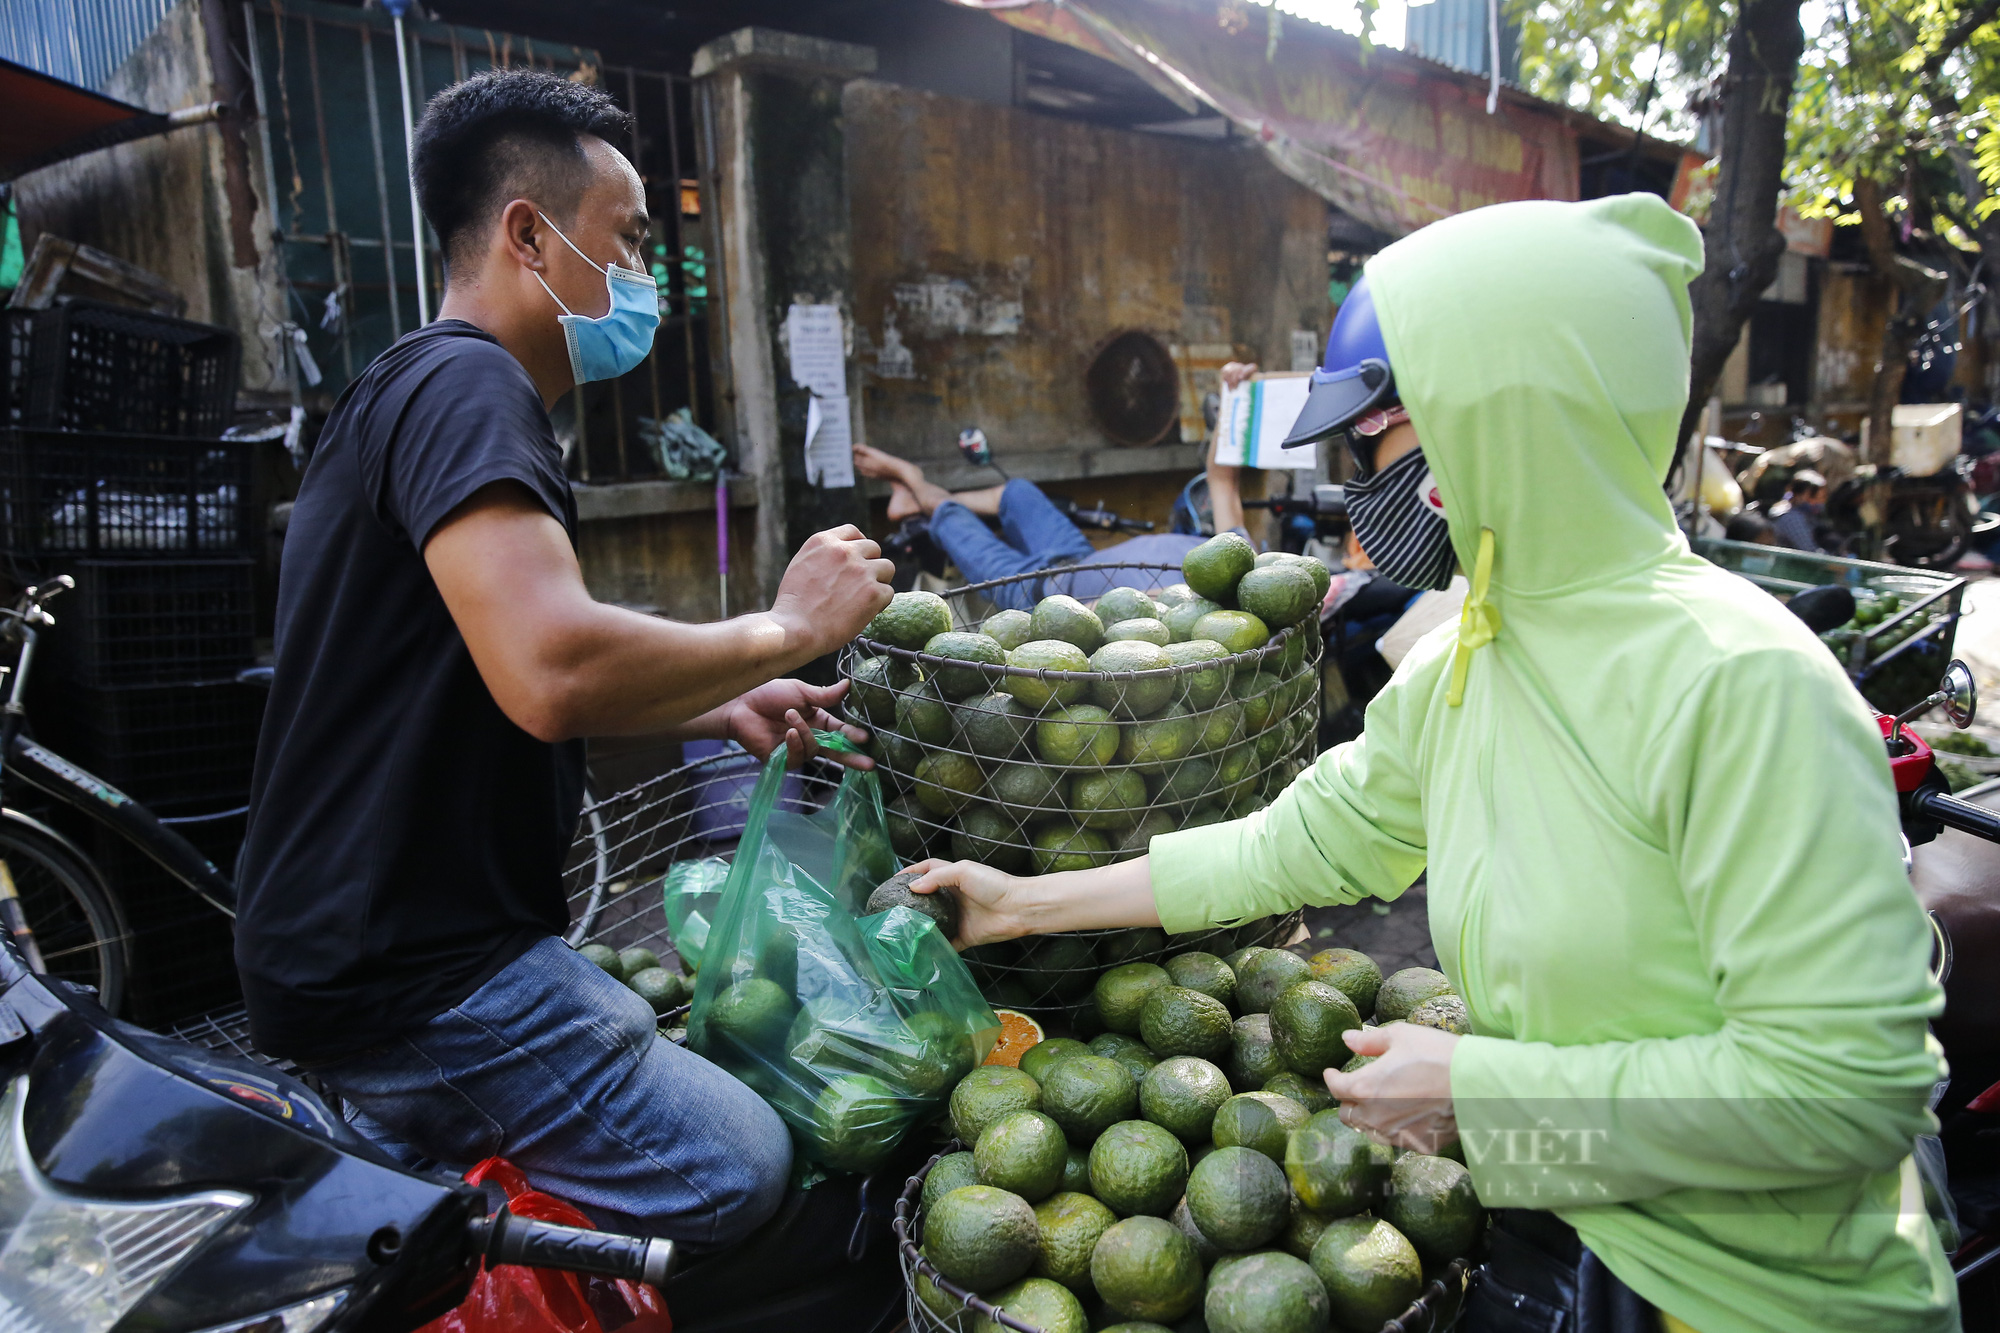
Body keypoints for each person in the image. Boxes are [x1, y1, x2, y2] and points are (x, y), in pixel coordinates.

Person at [913, 195, 1952, 1331]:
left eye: (1376, 434)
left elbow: (1841, 1098)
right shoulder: (1473, 654)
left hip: (1753, 1294)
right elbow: (1293, 842)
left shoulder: (1741, 685)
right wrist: (1019, 904)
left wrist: (1476, 1094)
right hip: (1555, 1224)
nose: (1353, 472)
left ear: (1504, 418)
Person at [233, 70, 894, 1248]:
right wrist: (789, 629)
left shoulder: (411, 388)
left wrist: (718, 700)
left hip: (357, 951)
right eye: (628, 241)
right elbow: (549, 668)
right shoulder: (467, 383)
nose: (646, 276)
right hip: (416, 983)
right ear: (528, 235)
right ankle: (410, 1202)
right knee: (743, 1164)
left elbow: (483, 681)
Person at [849, 364, 1268, 607]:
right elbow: (1222, 476)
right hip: (1075, 555)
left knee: (950, 516)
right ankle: (927, 502)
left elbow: (1109, 618)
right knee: (1018, 492)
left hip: (1035, 591)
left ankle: (914, 483)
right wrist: (1236, 397)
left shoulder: (1210, 603)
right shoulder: (1239, 551)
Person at [1772, 469, 1827, 553]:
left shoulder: (1813, 515)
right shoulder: (1791, 517)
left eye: (1821, 498)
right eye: (1813, 497)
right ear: (1797, 495)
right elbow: (1810, 551)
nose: (1817, 502)